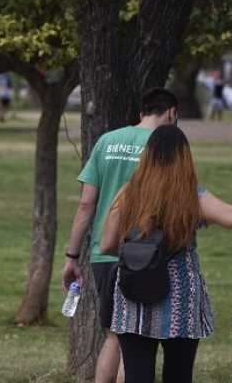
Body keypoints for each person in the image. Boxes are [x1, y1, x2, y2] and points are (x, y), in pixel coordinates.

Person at [99, 124, 232, 383]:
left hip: (133, 294)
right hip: (180, 299)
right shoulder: (191, 198)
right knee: (179, 374)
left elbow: (107, 244)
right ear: (185, 159)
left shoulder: (128, 193)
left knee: (136, 374)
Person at [59, 88, 180, 383]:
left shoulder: (107, 141)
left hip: (104, 252)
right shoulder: (165, 147)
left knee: (114, 335)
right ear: (172, 113)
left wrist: (72, 255)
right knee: (135, 339)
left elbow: (87, 204)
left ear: (142, 113)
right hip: (144, 253)